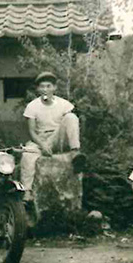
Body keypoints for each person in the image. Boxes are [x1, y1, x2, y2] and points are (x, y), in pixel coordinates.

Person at [20, 72, 86, 200]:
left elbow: (69, 125)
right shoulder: (32, 106)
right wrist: (42, 144)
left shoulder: (64, 104)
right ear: (38, 89)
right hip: (40, 138)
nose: (45, 90)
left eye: (48, 86)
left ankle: (75, 152)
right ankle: (27, 190)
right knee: (27, 155)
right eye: (42, 87)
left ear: (54, 88)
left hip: (57, 137)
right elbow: (32, 132)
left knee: (71, 117)